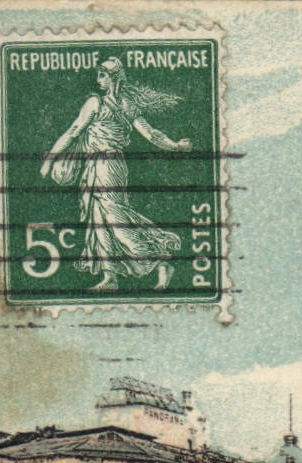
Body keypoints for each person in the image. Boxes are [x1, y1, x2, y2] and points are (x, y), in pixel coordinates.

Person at [38, 56, 191, 292]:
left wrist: (176, 146)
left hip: (108, 166)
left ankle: (160, 260)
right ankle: (110, 277)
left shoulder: (103, 103)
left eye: (103, 74)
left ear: (114, 78)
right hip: (97, 166)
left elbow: (150, 134)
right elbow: (74, 131)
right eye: (98, 74)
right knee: (98, 219)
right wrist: (175, 146)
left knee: (114, 218)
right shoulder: (112, 103)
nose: (98, 79)